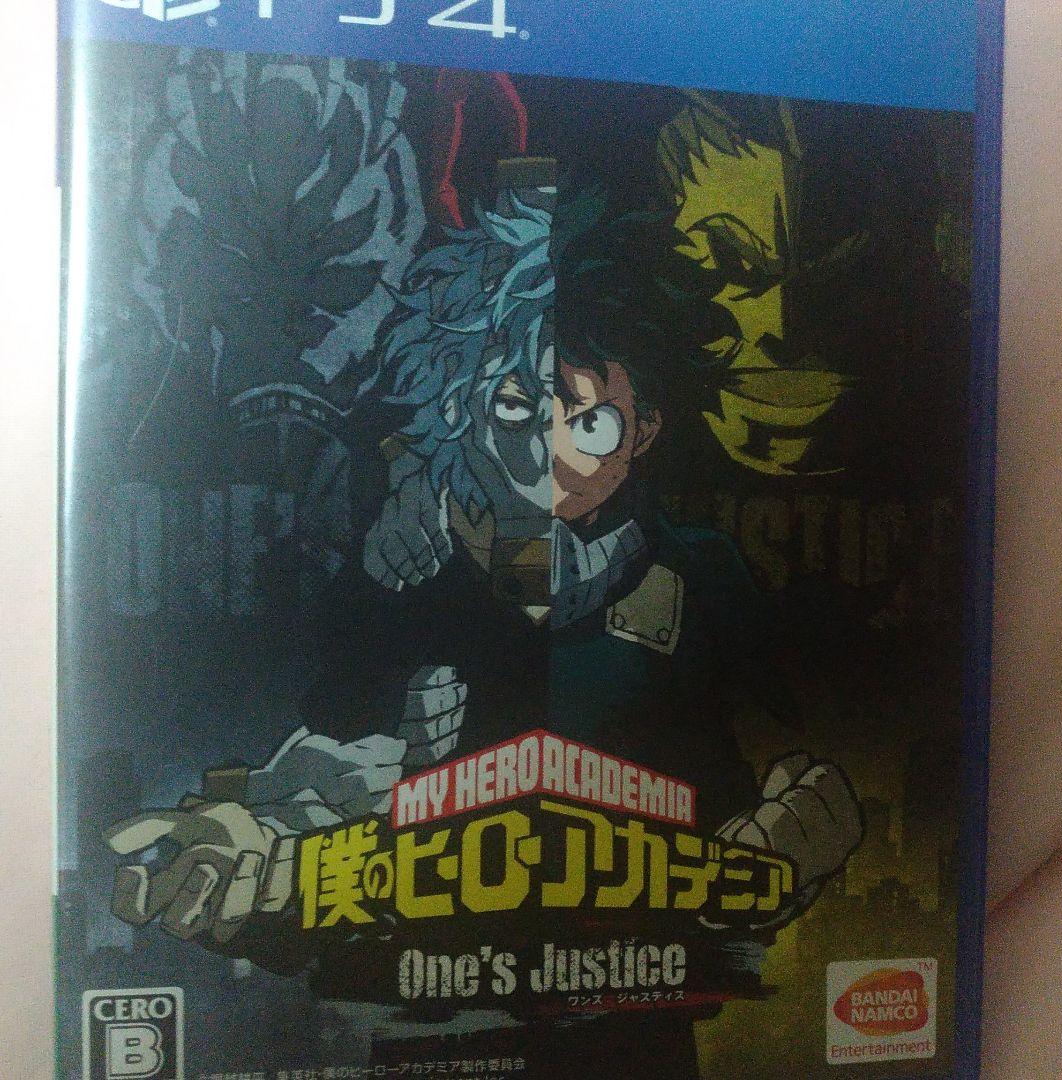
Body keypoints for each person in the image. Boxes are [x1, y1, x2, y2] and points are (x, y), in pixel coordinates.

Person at [106, 172, 861, 1078]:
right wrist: (256, 845)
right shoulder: (400, 570)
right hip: (435, 1016)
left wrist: (798, 838)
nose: (546, 451)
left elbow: (781, 765)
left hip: (635, 1014)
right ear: (461, 399)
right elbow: (328, 761)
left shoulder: (696, 575)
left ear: (645, 428)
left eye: (589, 422)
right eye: (514, 408)